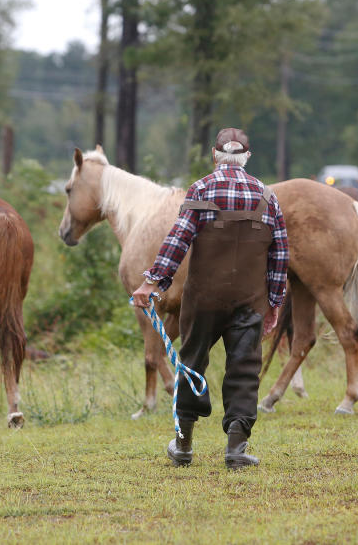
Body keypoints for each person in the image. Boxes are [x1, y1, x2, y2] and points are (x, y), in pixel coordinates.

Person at [131, 128, 289, 470]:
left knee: (191, 364)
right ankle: (236, 448)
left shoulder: (201, 189)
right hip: (250, 302)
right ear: (247, 157)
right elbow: (280, 258)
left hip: (203, 301)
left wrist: (152, 284)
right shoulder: (268, 196)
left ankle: (184, 445)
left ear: (215, 155)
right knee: (244, 370)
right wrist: (274, 304)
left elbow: (177, 241)